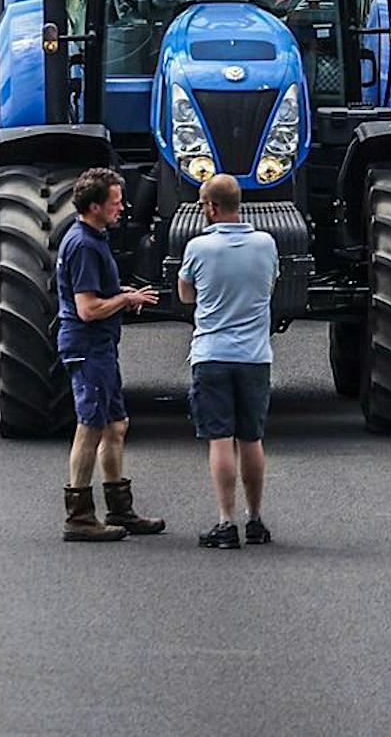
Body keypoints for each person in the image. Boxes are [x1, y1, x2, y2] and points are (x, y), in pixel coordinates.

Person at [55, 167, 162, 541]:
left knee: (116, 425)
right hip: (88, 347)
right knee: (91, 428)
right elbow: (86, 309)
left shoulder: (93, 237)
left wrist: (120, 292)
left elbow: (97, 293)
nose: (122, 208)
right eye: (115, 202)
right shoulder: (84, 245)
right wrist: (125, 299)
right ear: (95, 206)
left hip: (101, 347)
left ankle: (120, 509)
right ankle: (79, 516)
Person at [178, 174, 278, 548]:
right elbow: (270, 287)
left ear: (212, 207)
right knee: (251, 439)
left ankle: (226, 521)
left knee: (220, 440)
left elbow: (186, 296)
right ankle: (255, 519)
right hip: (255, 356)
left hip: (212, 354)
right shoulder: (267, 244)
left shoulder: (198, 248)